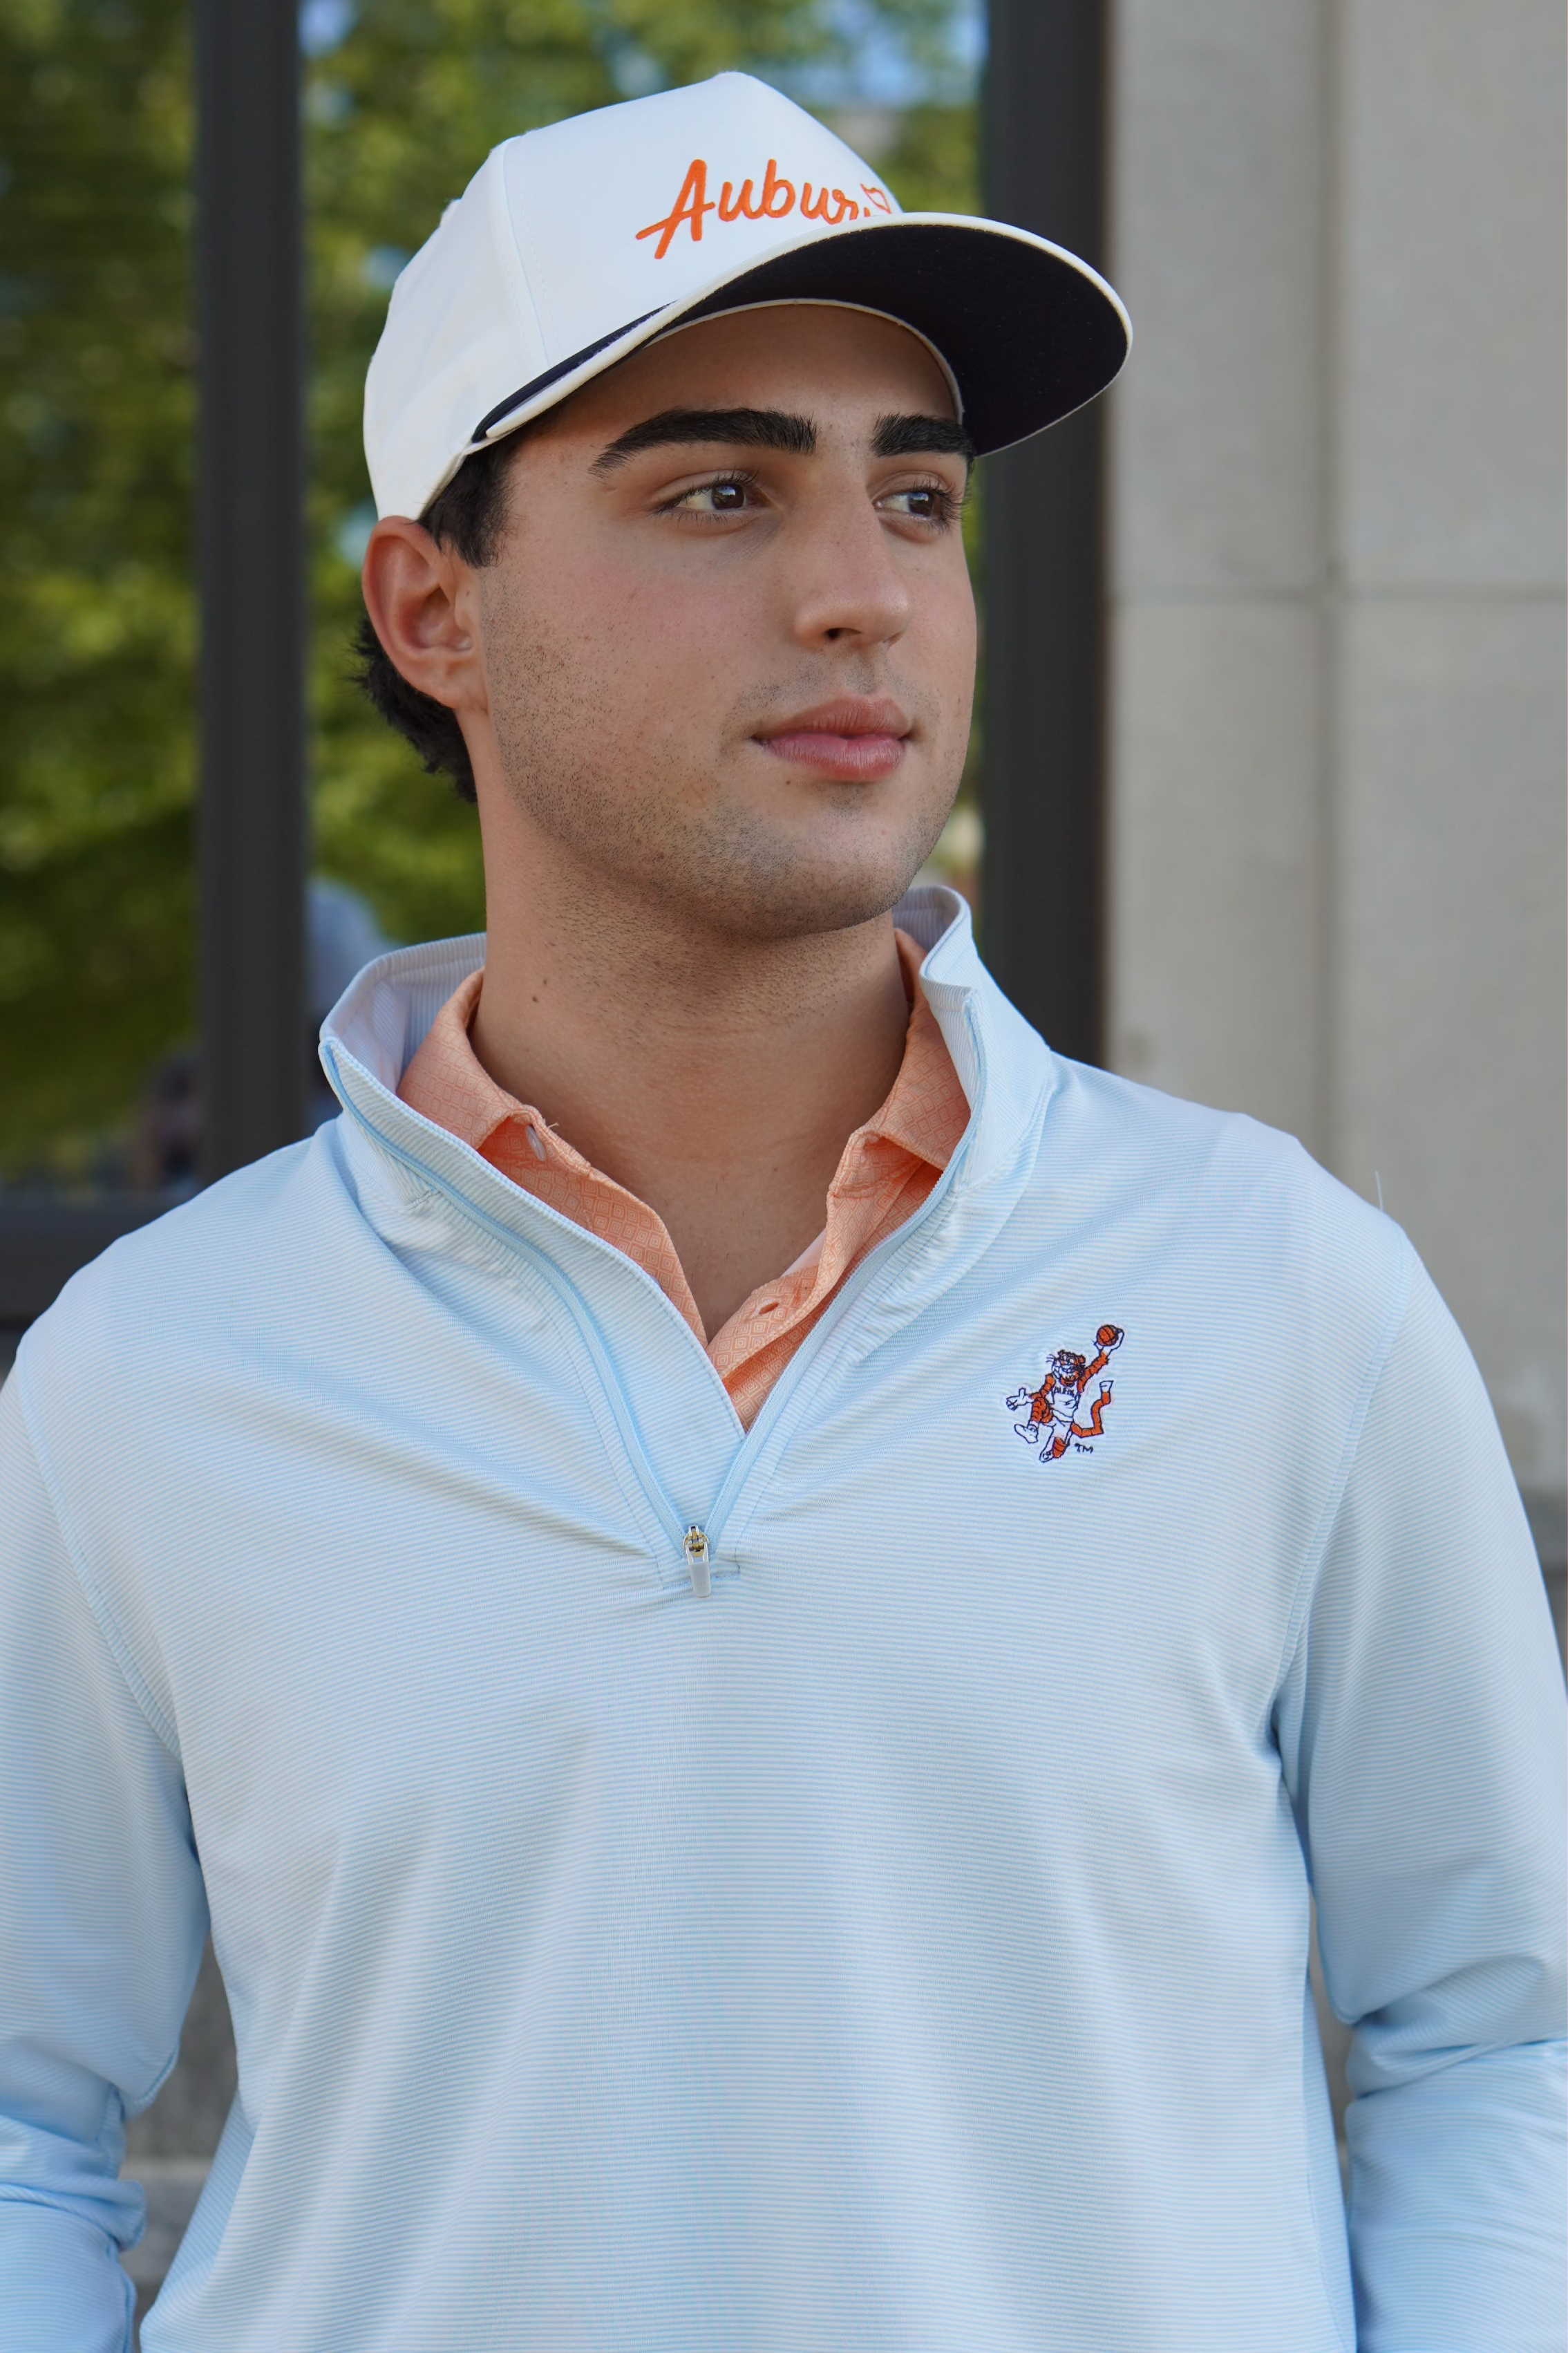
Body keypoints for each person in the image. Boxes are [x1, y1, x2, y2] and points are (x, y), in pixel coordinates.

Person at [0, 70, 1562, 2353]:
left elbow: (1499, 2036)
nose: (862, 595)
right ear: (433, 605)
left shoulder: (1274, 1290)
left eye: (912, 498)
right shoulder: (155, 1369)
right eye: (720, 490)